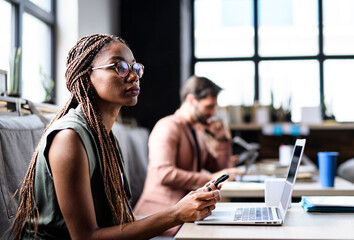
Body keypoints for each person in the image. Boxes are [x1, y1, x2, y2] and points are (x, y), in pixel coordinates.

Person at [9, 34, 222, 240]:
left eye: (135, 67)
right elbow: (85, 237)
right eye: (119, 67)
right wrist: (176, 214)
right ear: (86, 76)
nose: (133, 76)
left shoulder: (104, 135)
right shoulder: (69, 138)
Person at [134, 75, 243, 235]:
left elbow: (222, 170)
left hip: (185, 215)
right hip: (159, 217)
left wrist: (222, 139)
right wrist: (209, 177)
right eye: (209, 106)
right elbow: (163, 174)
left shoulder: (196, 131)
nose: (212, 113)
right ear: (192, 100)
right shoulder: (168, 126)